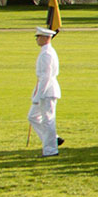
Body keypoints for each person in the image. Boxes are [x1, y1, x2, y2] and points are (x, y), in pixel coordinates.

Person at [28, 27, 62, 157]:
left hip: (47, 91)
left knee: (48, 120)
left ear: (46, 38)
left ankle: (50, 150)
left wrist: (38, 96)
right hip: (44, 90)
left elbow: (46, 77)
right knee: (33, 116)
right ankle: (53, 139)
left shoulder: (47, 53)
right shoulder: (45, 52)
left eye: (39, 37)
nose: (37, 39)